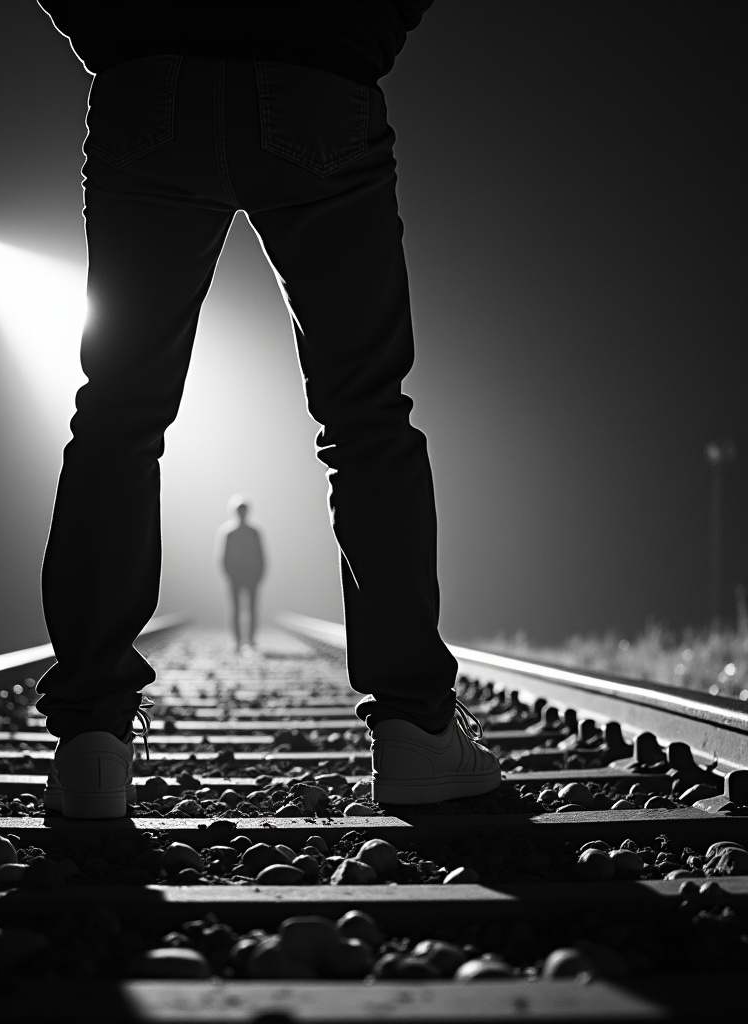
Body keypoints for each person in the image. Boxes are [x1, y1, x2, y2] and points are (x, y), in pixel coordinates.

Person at [35, 0, 501, 818]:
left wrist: (114, 34)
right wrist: (361, 31)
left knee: (117, 414)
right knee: (366, 417)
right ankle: (415, 733)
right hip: (317, 72)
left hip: (151, 78)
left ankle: (90, 746)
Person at [216, 495, 266, 652]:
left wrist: (259, 575)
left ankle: (250, 640)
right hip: (235, 577)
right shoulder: (229, 532)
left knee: (251, 609)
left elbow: (261, 556)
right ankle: (238, 641)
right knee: (236, 610)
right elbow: (223, 556)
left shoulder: (253, 533)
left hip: (251, 576)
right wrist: (227, 575)